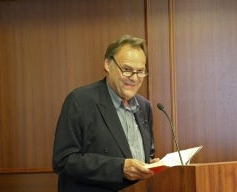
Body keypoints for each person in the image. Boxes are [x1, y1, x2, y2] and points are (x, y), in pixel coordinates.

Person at [52, 34, 159, 192]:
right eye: (127, 70)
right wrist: (120, 168)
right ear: (108, 64)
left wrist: (151, 165)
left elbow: (146, 153)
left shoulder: (144, 106)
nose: (134, 78)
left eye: (140, 71)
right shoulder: (80, 101)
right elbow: (64, 160)